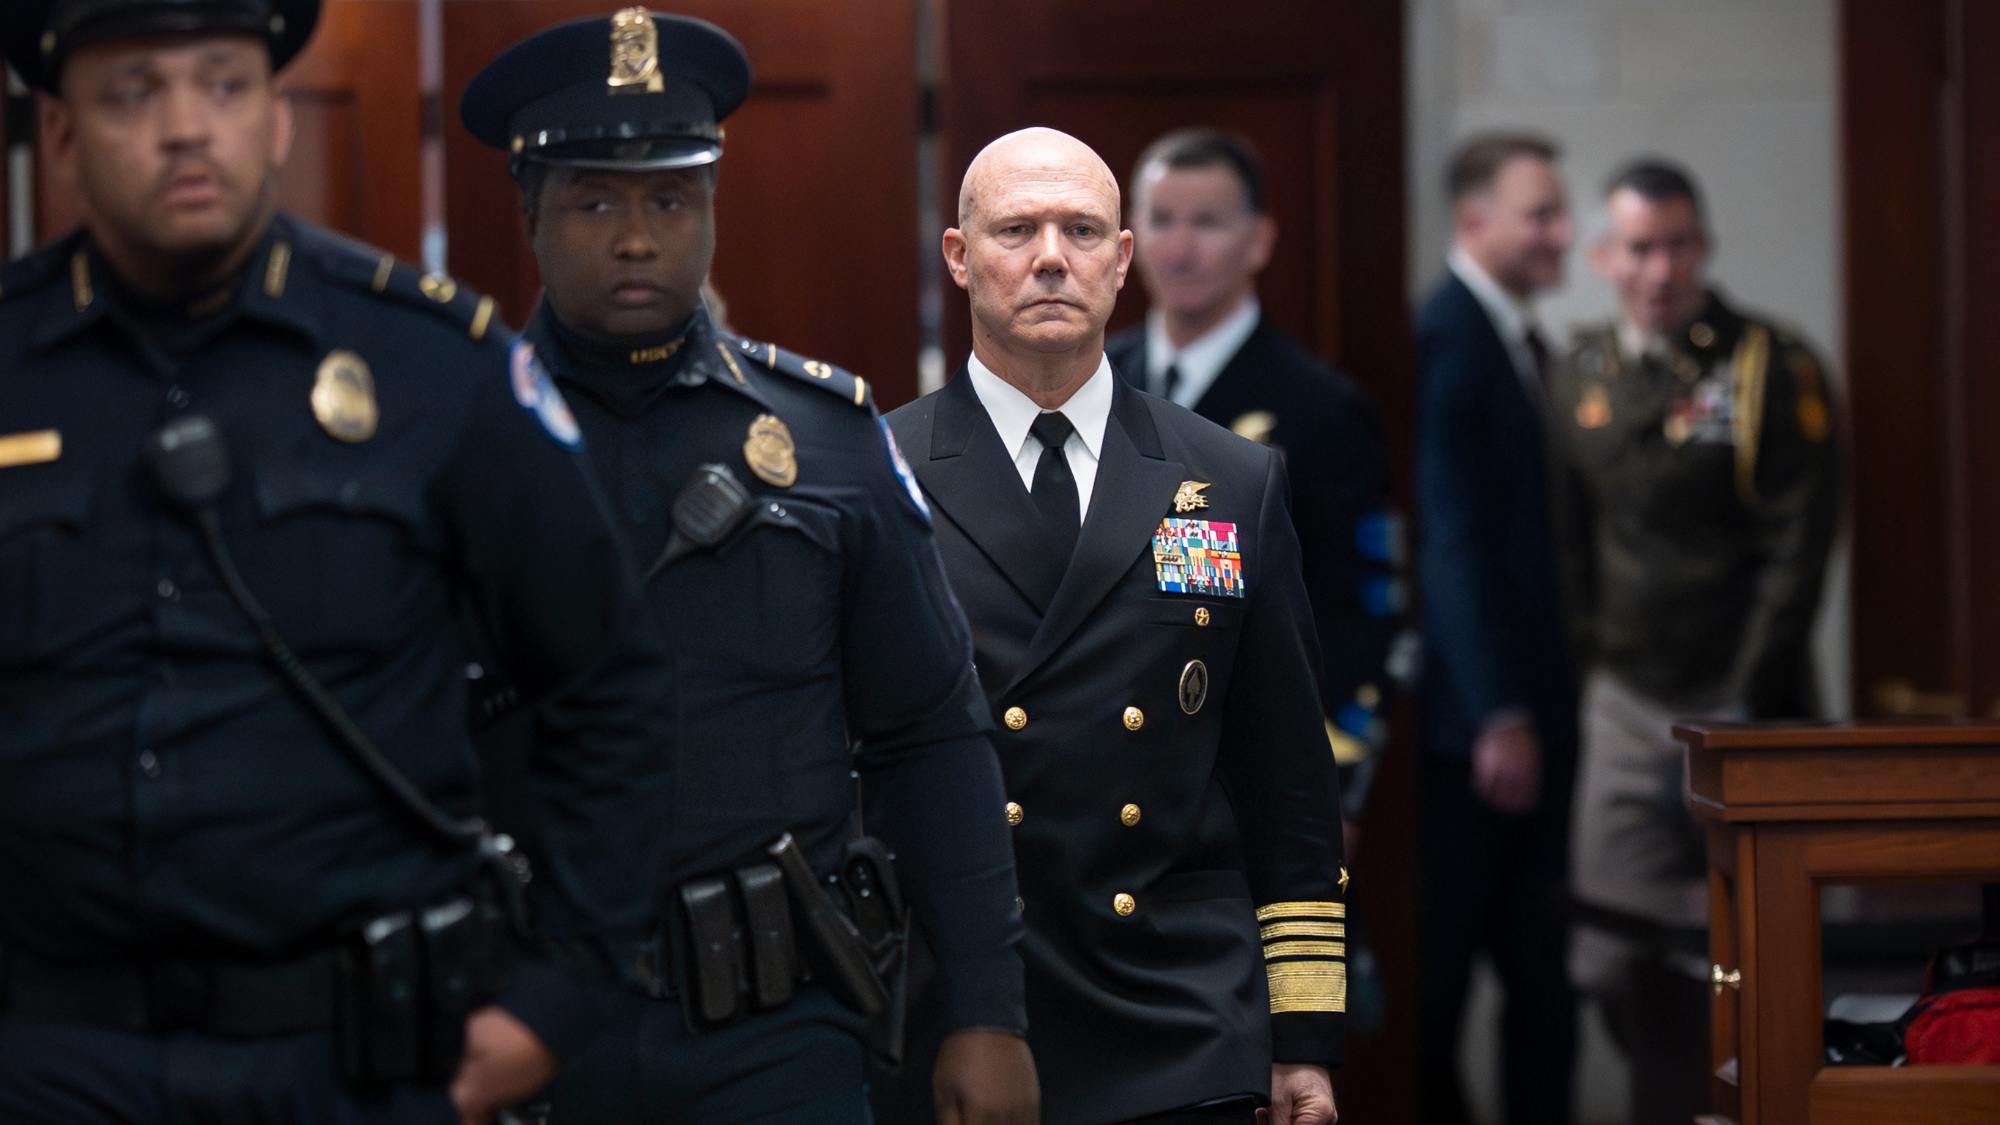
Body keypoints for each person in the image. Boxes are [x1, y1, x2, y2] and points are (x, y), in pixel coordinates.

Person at [0, 3, 677, 1124]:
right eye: (132, 93)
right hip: (50, 1059)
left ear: (273, 120)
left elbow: (612, 688)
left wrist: (558, 999)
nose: (184, 127)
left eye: (222, 85)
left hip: (350, 1065)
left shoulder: (431, 364)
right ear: (62, 136)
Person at [458, 11, 1036, 1125]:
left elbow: (929, 736)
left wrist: (986, 1009)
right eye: (594, 202)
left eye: (669, 200)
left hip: (775, 1038)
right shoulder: (448, 444)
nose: (635, 239)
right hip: (520, 1023)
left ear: (711, 211)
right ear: (529, 215)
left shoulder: (826, 438)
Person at [881, 126, 1347, 1125]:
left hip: (1173, 1012)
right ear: (959, 259)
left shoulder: (1230, 479)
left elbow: (1287, 785)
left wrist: (1302, 1036)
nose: (1052, 255)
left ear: (1121, 260)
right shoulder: (878, 475)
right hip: (954, 1005)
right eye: (1016, 228)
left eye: (1082, 228)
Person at [1548, 158, 1839, 1125]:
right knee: (1606, 952)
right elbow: (1571, 540)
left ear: (1704, 248)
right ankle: (1670, 1094)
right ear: (1603, 257)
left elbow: (1797, 551)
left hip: (1746, 701)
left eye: (1677, 245)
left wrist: (1748, 694)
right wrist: (1593, 663)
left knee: (1766, 958)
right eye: (1639, 248)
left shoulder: (1769, 364)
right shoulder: (1581, 370)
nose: (1660, 269)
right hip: (1626, 699)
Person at [1105, 128, 1402, 852]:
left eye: (1207, 222)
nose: (1181, 248)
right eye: (1163, 220)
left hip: (1258, 777)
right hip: (1110, 776)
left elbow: (1366, 613)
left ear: (1260, 240)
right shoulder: (1092, 386)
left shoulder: (1320, 408)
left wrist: (1334, 777)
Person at [1414, 132, 1579, 1125]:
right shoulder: (1449, 338)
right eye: (1539, 214)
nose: (1562, 233)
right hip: (1476, 733)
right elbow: (1452, 541)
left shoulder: (1508, 337)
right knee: (1447, 977)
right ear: (1471, 220)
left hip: (1523, 715)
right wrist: (1498, 710)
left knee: (1538, 977)